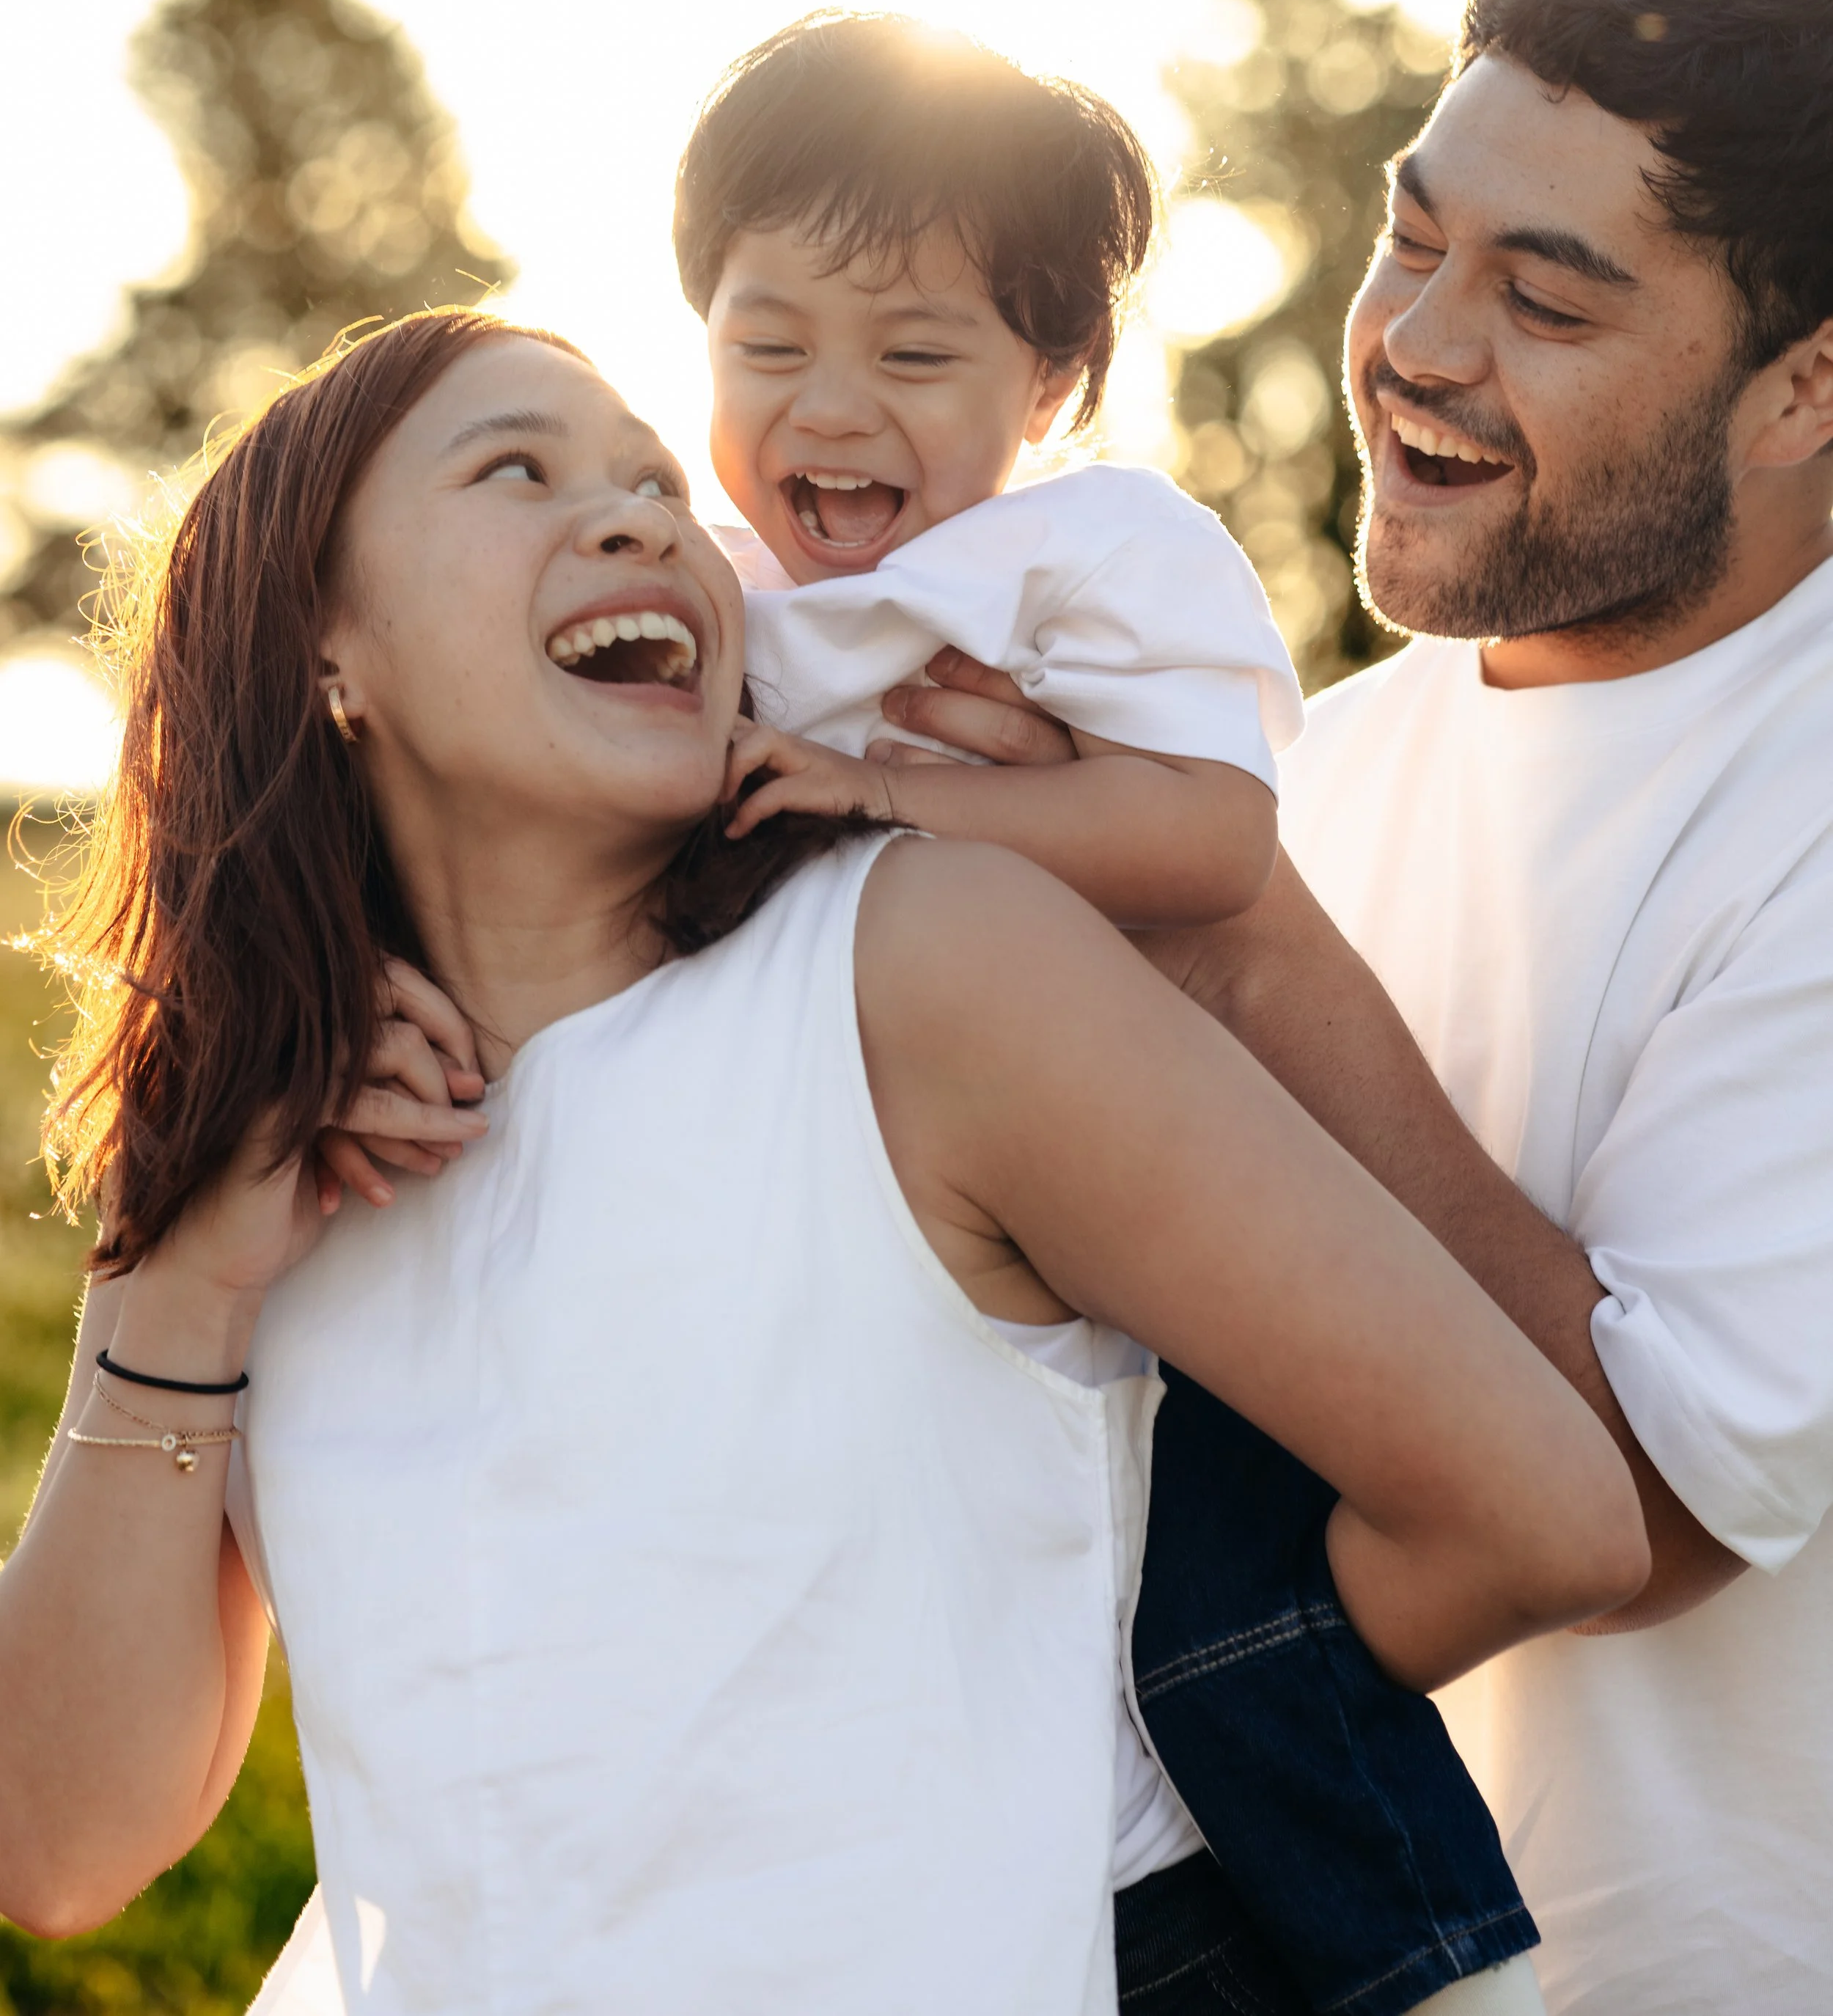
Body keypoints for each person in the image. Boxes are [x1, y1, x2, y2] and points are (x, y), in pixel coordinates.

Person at [0, 311, 1646, 2016]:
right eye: (516, 471)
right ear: (322, 647)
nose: (642, 518)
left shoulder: (918, 968)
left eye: (653, 481)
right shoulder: (258, 1183)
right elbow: (59, 1845)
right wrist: (185, 1276)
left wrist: (1148, 1757)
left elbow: (1537, 1509)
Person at [895, 0, 1833, 2015]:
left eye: (1546, 297)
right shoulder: (1331, 760)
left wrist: (1237, 948)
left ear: (1804, 386)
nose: (1413, 338)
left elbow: (1647, 1505)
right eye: (1415, 236)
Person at [672, 10, 1547, 2014]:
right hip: (898, 1243)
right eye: (767, 338)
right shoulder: (701, 576)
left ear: (1051, 377)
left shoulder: (1088, 553)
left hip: (1164, 1204)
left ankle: (1409, 1953)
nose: (830, 406)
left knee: (1221, 1633)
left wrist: (898, 790)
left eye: (913, 352)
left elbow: (1206, 835)